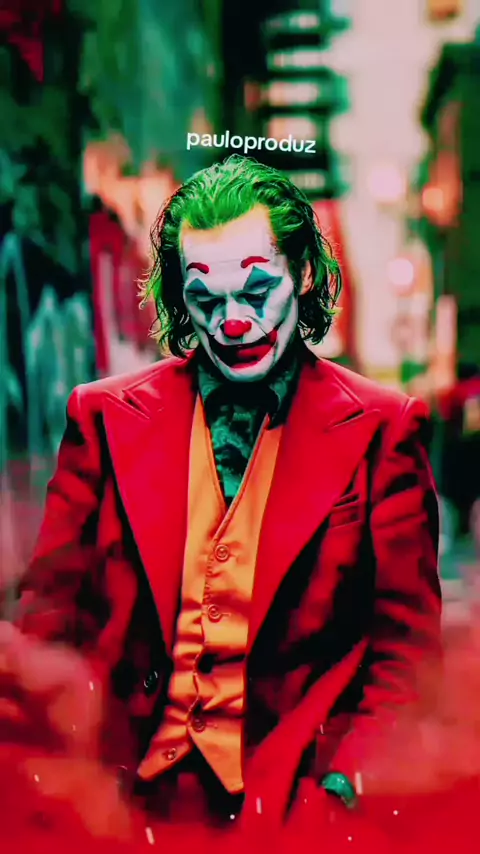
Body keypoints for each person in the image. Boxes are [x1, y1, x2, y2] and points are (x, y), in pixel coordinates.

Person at [0, 155, 441, 847]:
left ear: (303, 274)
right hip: (121, 808)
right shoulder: (102, 419)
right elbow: (46, 622)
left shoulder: (385, 429)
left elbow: (406, 657)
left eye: (258, 290)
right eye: (206, 299)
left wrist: (343, 791)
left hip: (295, 813)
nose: (233, 322)